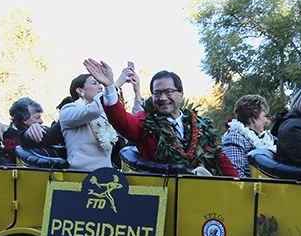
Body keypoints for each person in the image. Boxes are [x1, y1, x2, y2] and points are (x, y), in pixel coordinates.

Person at [82, 59, 239, 177]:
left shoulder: (200, 125)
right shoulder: (145, 121)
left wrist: (238, 186)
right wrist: (110, 86)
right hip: (163, 197)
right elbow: (122, 122)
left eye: (169, 91)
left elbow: (219, 157)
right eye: (157, 93)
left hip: (202, 197)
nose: (163, 98)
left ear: (181, 94)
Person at [56, 72, 131, 171]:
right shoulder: (68, 110)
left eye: (100, 84)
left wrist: (137, 90)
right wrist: (114, 86)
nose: (100, 87)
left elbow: (128, 123)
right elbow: (92, 111)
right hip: (79, 174)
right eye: (94, 83)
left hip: (106, 173)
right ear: (80, 90)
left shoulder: (103, 113)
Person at [220, 94, 274, 175]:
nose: (266, 120)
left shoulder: (266, 137)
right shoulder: (234, 138)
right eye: (264, 116)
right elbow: (236, 176)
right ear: (254, 118)